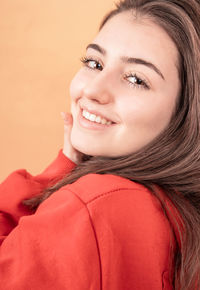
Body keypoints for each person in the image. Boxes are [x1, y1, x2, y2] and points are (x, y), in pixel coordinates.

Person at [0, 0, 200, 289]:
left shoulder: (89, 208)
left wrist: (56, 176)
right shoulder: (182, 219)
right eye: (94, 63)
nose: (93, 90)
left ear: (186, 113)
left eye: (135, 79)